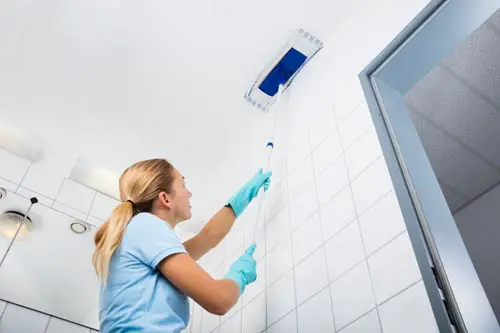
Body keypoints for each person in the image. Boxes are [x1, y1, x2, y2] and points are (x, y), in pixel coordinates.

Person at [92, 158, 271, 333]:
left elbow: (206, 238)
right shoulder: (145, 225)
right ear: (165, 198)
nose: (189, 193)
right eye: (183, 186)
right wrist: (239, 275)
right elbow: (219, 299)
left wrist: (242, 198)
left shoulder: (140, 233)